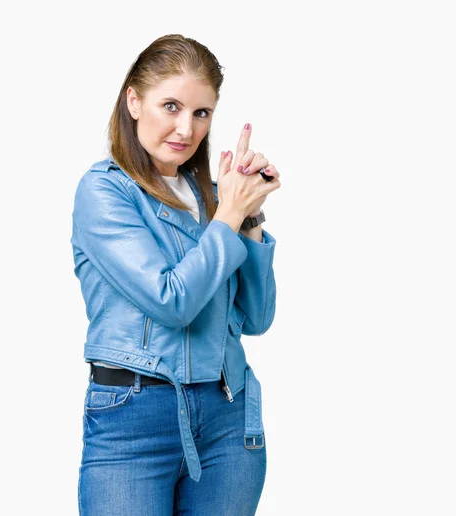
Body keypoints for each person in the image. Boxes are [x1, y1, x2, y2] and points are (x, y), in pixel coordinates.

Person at [70, 33, 281, 515]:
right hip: (133, 419)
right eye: (171, 106)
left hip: (228, 418)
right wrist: (228, 216)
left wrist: (248, 216)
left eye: (201, 113)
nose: (186, 128)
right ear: (134, 101)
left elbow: (257, 316)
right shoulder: (104, 193)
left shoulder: (213, 195)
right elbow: (172, 301)